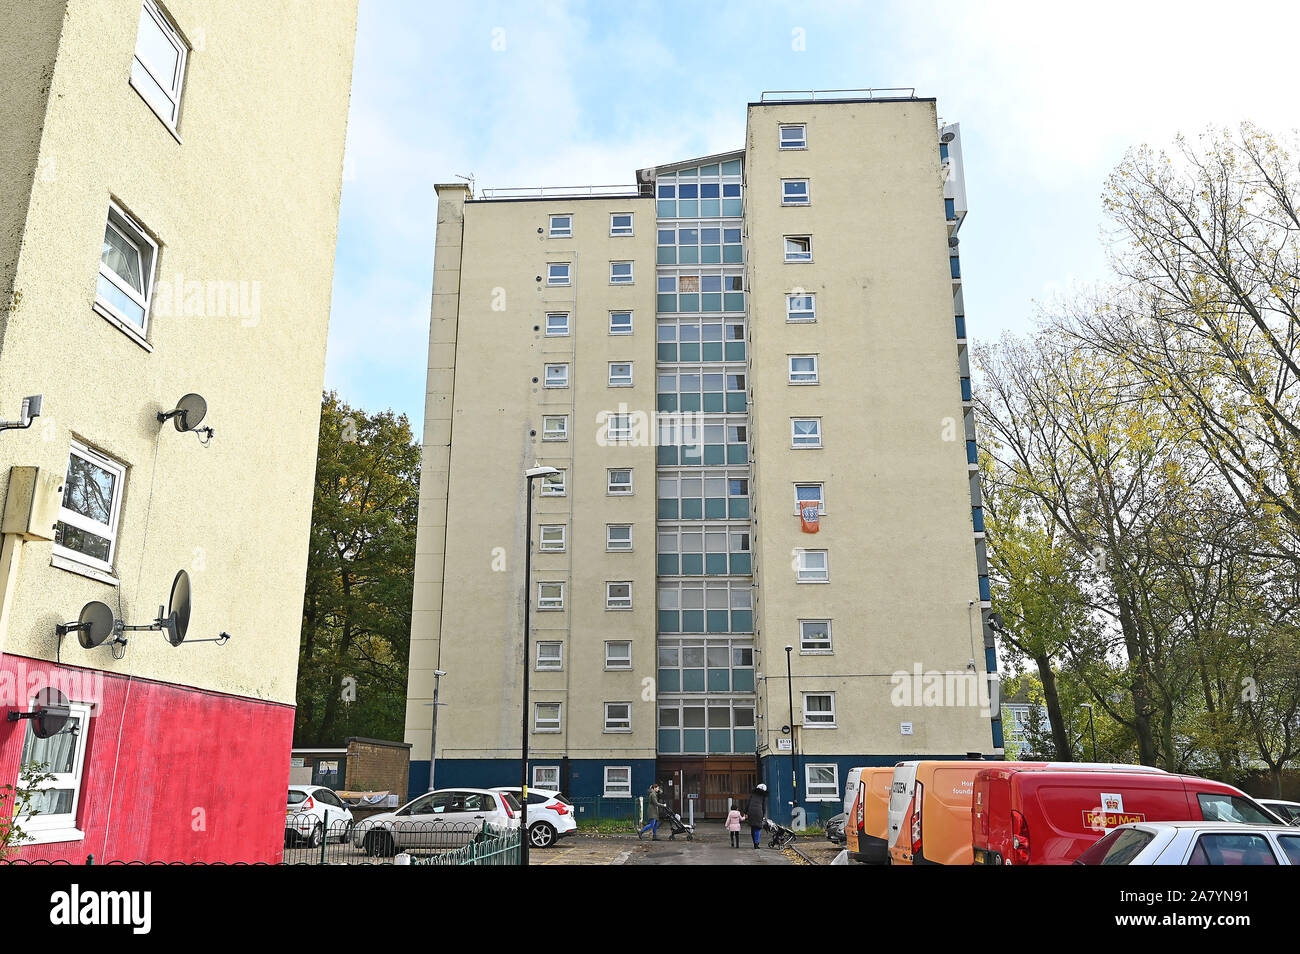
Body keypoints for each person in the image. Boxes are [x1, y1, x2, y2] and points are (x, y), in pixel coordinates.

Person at [745, 783, 768, 849]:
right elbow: (764, 806)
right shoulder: (763, 796)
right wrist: (763, 815)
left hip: (751, 811)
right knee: (758, 828)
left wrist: (745, 812)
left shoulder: (753, 794)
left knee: (753, 827)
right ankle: (756, 843)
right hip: (759, 812)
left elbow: (748, 803)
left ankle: (754, 842)